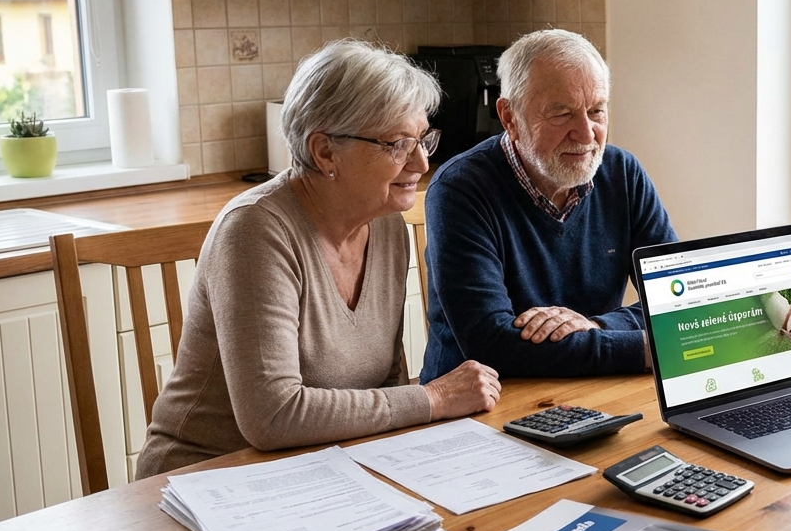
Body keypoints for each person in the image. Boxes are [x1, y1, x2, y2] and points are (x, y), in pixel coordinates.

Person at [136, 39, 501, 477]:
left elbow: (384, 380)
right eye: (398, 144)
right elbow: (273, 416)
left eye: (424, 139)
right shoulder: (255, 230)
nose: (421, 163)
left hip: (322, 467)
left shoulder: (384, 223)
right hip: (209, 477)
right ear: (325, 151)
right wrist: (433, 398)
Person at [419, 29, 677, 381]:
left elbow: (676, 297)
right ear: (509, 117)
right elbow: (494, 346)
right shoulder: (459, 189)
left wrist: (596, 325)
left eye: (596, 111)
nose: (586, 134)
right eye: (562, 114)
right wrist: (645, 349)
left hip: (591, 389)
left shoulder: (622, 173)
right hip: (481, 407)